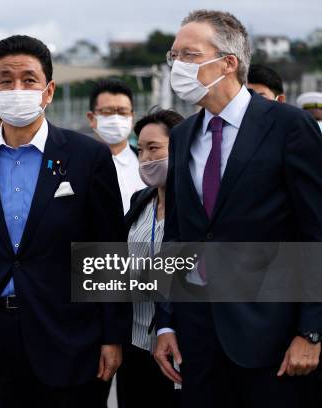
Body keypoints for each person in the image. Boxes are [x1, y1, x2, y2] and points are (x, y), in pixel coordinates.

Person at [0, 35, 131, 408]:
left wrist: (112, 336)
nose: (16, 88)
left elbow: (108, 252)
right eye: (6, 80)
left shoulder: (88, 157)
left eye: (29, 80)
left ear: (48, 90)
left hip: (68, 334)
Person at [155, 10, 322, 408]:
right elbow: (177, 237)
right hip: (198, 341)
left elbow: (315, 231)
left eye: (189, 55)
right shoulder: (181, 136)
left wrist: (312, 331)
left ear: (228, 63)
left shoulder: (289, 126)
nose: (177, 66)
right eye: (173, 56)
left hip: (273, 340)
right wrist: (166, 321)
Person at [114, 109, 184, 408]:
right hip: (135, 345)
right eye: (140, 149)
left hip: (179, 345)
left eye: (154, 148)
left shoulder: (199, 209)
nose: (145, 158)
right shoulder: (141, 200)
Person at [86, 79, 145, 213]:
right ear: (91, 118)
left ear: (132, 118)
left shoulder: (145, 163)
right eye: (107, 112)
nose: (116, 119)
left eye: (123, 112)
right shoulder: (77, 164)